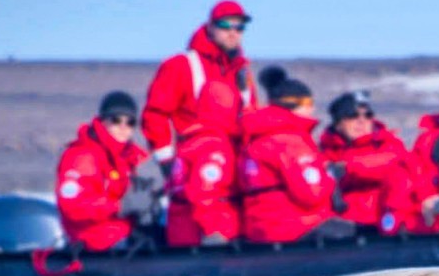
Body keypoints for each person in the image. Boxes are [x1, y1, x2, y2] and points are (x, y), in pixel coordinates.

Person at [141, 0, 255, 162]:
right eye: (225, 26)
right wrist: (167, 161)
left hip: (236, 168)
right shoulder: (181, 66)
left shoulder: (242, 71)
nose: (233, 32)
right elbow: (155, 115)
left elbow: (251, 116)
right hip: (194, 163)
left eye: (240, 27)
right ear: (210, 27)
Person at [237, 70, 342, 243]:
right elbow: (310, 194)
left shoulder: (256, 140)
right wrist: (331, 176)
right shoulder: (291, 143)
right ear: (299, 105)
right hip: (295, 227)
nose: (313, 109)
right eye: (309, 103)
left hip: (261, 229)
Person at [54, 91, 154, 251]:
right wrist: (120, 206)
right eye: (116, 120)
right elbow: (73, 206)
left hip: (123, 237)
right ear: (103, 121)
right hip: (94, 245)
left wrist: (147, 203)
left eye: (130, 122)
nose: (123, 127)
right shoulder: (83, 157)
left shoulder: (127, 160)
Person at [318, 90, 417, 234]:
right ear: (338, 123)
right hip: (344, 228)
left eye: (368, 115)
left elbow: (393, 162)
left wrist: (348, 168)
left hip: (383, 225)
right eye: (353, 115)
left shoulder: (388, 143)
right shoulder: (324, 152)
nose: (361, 120)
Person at [165, 81, 242, 247]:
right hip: (203, 238)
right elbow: (203, 193)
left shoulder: (193, 142)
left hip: (182, 232)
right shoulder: (214, 146)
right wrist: (214, 233)